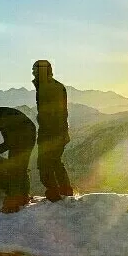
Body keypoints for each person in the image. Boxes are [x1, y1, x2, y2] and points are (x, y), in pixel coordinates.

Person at [0, 104, 37, 212]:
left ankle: (12, 203)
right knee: (19, 169)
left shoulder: (8, 118)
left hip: (26, 136)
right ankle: (22, 197)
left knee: (15, 169)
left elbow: (11, 142)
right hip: (22, 136)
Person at [32, 59, 74, 201]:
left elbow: (48, 113)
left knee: (44, 163)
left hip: (50, 133)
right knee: (55, 162)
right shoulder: (54, 86)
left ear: (41, 71)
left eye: (35, 70)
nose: (33, 73)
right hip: (58, 132)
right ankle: (65, 191)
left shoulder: (46, 87)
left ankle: (54, 193)